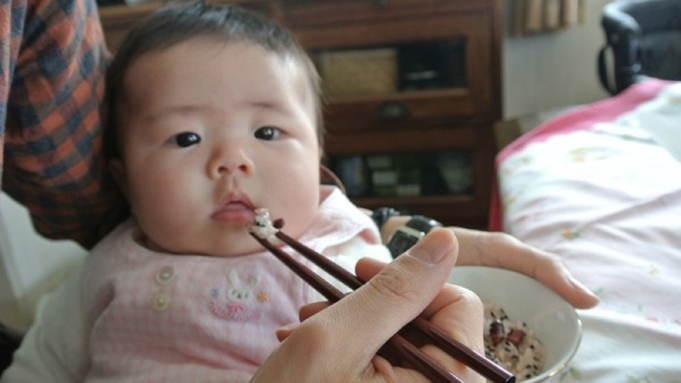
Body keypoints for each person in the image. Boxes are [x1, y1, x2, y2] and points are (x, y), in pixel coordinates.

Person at [0, 0, 597, 381]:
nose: (230, 160)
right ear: (123, 177)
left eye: (266, 131)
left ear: (319, 159)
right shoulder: (108, 264)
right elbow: (39, 366)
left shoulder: (347, 244)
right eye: (185, 137)